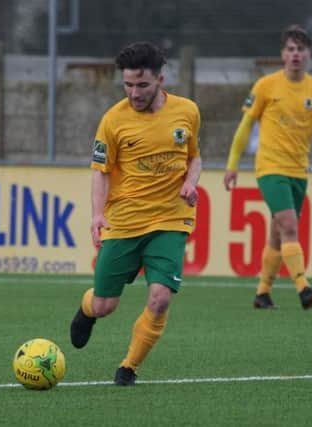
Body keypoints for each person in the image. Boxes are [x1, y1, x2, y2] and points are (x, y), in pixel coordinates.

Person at [69, 41, 202, 386]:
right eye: (127, 84)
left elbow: (195, 156)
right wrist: (98, 215)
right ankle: (86, 310)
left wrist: (191, 182)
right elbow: (100, 171)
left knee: (159, 299)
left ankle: (129, 367)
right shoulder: (113, 120)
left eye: (141, 85)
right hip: (124, 221)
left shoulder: (187, 111)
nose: (133, 92)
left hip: (171, 220)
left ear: (160, 79)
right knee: (104, 306)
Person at [223, 25, 312, 310]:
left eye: (300, 49)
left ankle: (262, 293)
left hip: (298, 171)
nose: (295, 55)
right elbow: (245, 127)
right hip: (270, 168)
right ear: (282, 54)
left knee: (278, 231)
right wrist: (232, 165)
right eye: (290, 49)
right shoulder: (266, 86)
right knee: (290, 226)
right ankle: (303, 288)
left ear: (308, 54)